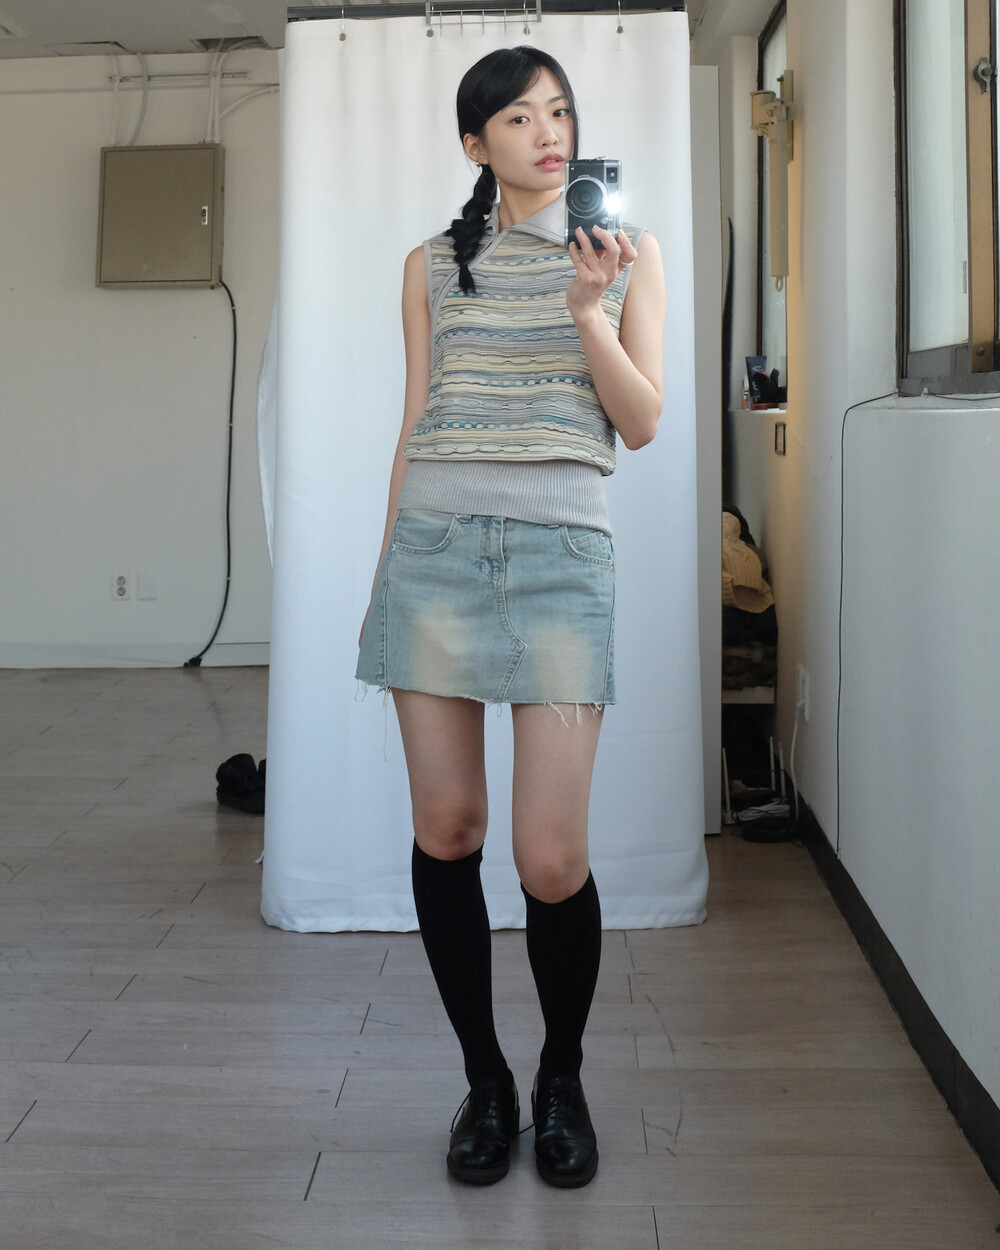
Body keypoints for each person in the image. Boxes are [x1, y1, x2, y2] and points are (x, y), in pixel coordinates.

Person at [356, 45, 665, 1188]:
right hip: (434, 553)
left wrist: (588, 309)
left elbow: (641, 422)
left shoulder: (627, 257)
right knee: (448, 829)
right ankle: (484, 1079)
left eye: (561, 112)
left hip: (560, 559)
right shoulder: (431, 265)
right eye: (522, 116)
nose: (550, 132)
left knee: (549, 854)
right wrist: (385, 575)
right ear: (474, 142)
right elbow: (415, 422)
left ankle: (560, 1075)